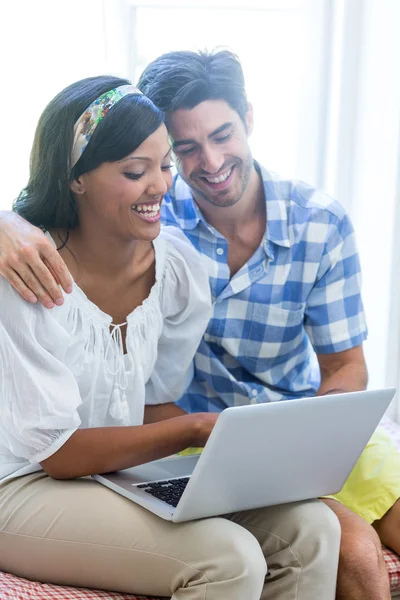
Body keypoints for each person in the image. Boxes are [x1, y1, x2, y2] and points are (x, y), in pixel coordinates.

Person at [0, 74, 341, 600]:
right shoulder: (29, 275)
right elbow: (58, 455)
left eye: (164, 165)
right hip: (23, 485)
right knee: (228, 560)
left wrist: (239, 449)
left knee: (313, 531)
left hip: (117, 472)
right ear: (76, 179)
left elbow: (156, 402)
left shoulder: (177, 266)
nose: (160, 185)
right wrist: (197, 429)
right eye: (135, 171)